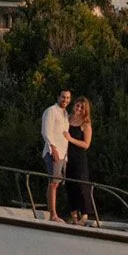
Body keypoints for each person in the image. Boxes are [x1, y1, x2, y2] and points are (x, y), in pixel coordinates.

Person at [40, 89, 72, 219]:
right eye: (63, 97)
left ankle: (53, 212)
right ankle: (53, 214)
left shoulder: (65, 114)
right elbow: (46, 131)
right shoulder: (51, 111)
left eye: (68, 98)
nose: (65, 100)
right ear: (58, 97)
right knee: (53, 182)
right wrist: (53, 148)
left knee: (57, 183)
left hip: (63, 154)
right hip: (54, 151)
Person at [65, 97, 97, 223]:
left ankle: (84, 215)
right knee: (69, 185)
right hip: (67, 156)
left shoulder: (86, 124)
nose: (78, 109)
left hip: (79, 157)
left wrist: (70, 139)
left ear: (85, 110)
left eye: (82, 107)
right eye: (77, 106)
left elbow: (86, 144)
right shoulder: (67, 119)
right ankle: (73, 214)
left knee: (81, 185)